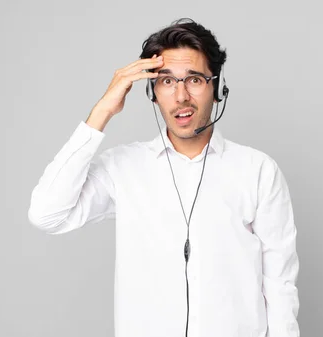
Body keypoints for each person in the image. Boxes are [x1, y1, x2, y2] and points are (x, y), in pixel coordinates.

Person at [28, 18, 300, 337]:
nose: (181, 96)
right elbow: (47, 214)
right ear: (152, 92)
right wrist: (102, 111)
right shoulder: (123, 167)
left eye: (194, 80)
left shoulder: (257, 170)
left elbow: (280, 286)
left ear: (218, 88)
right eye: (167, 82)